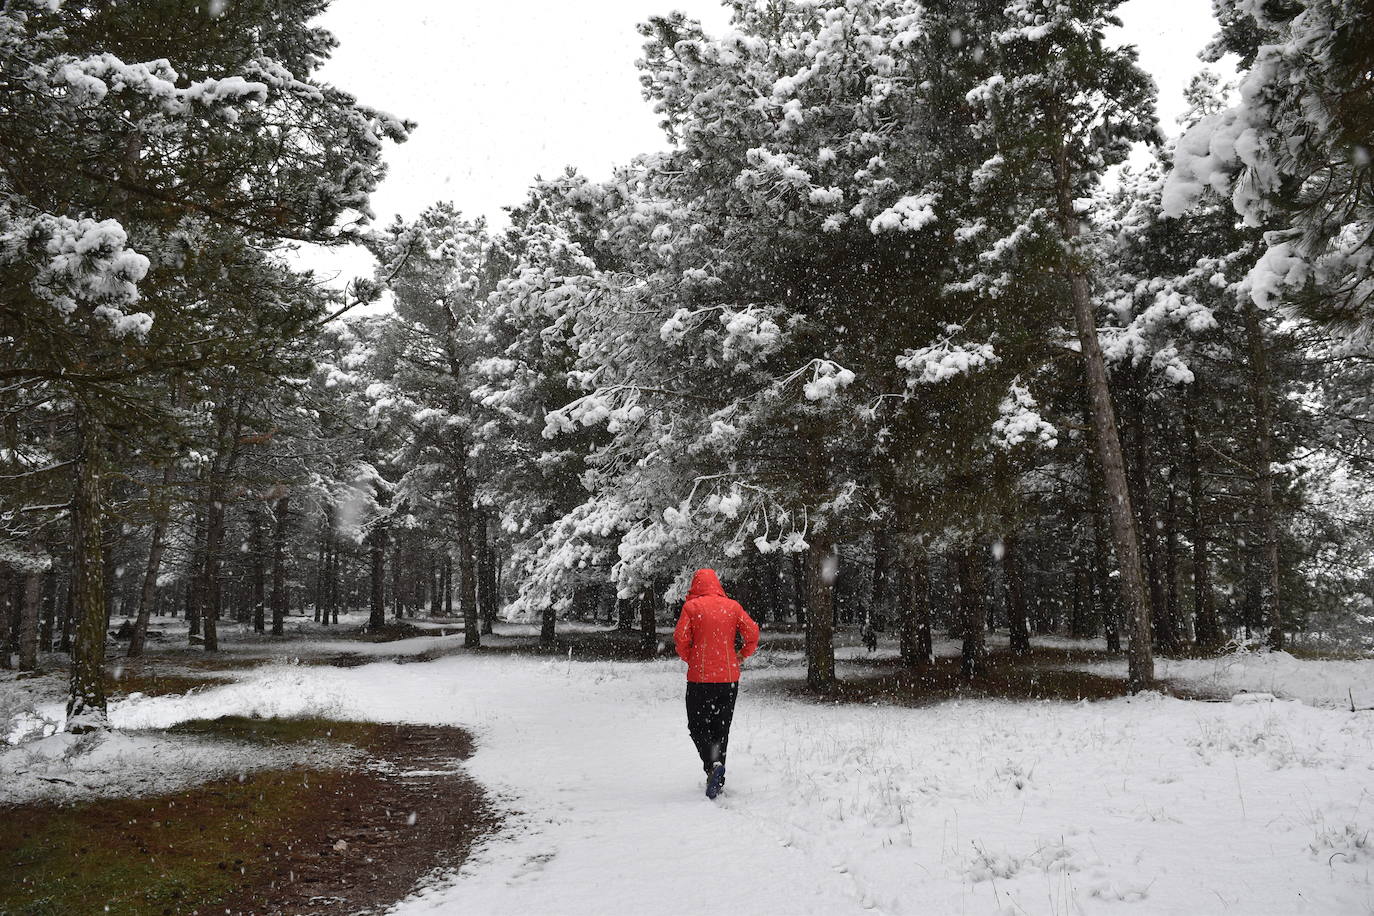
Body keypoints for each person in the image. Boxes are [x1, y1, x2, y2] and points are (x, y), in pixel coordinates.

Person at [673, 568, 760, 799]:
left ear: (695, 585)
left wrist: (690, 657)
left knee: (697, 725)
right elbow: (752, 632)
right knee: (721, 727)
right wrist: (742, 654)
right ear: (717, 584)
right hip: (728, 679)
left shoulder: (691, 608)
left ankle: (712, 766)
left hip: (700, 680)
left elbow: (680, 639)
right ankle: (717, 770)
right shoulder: (733, 607)